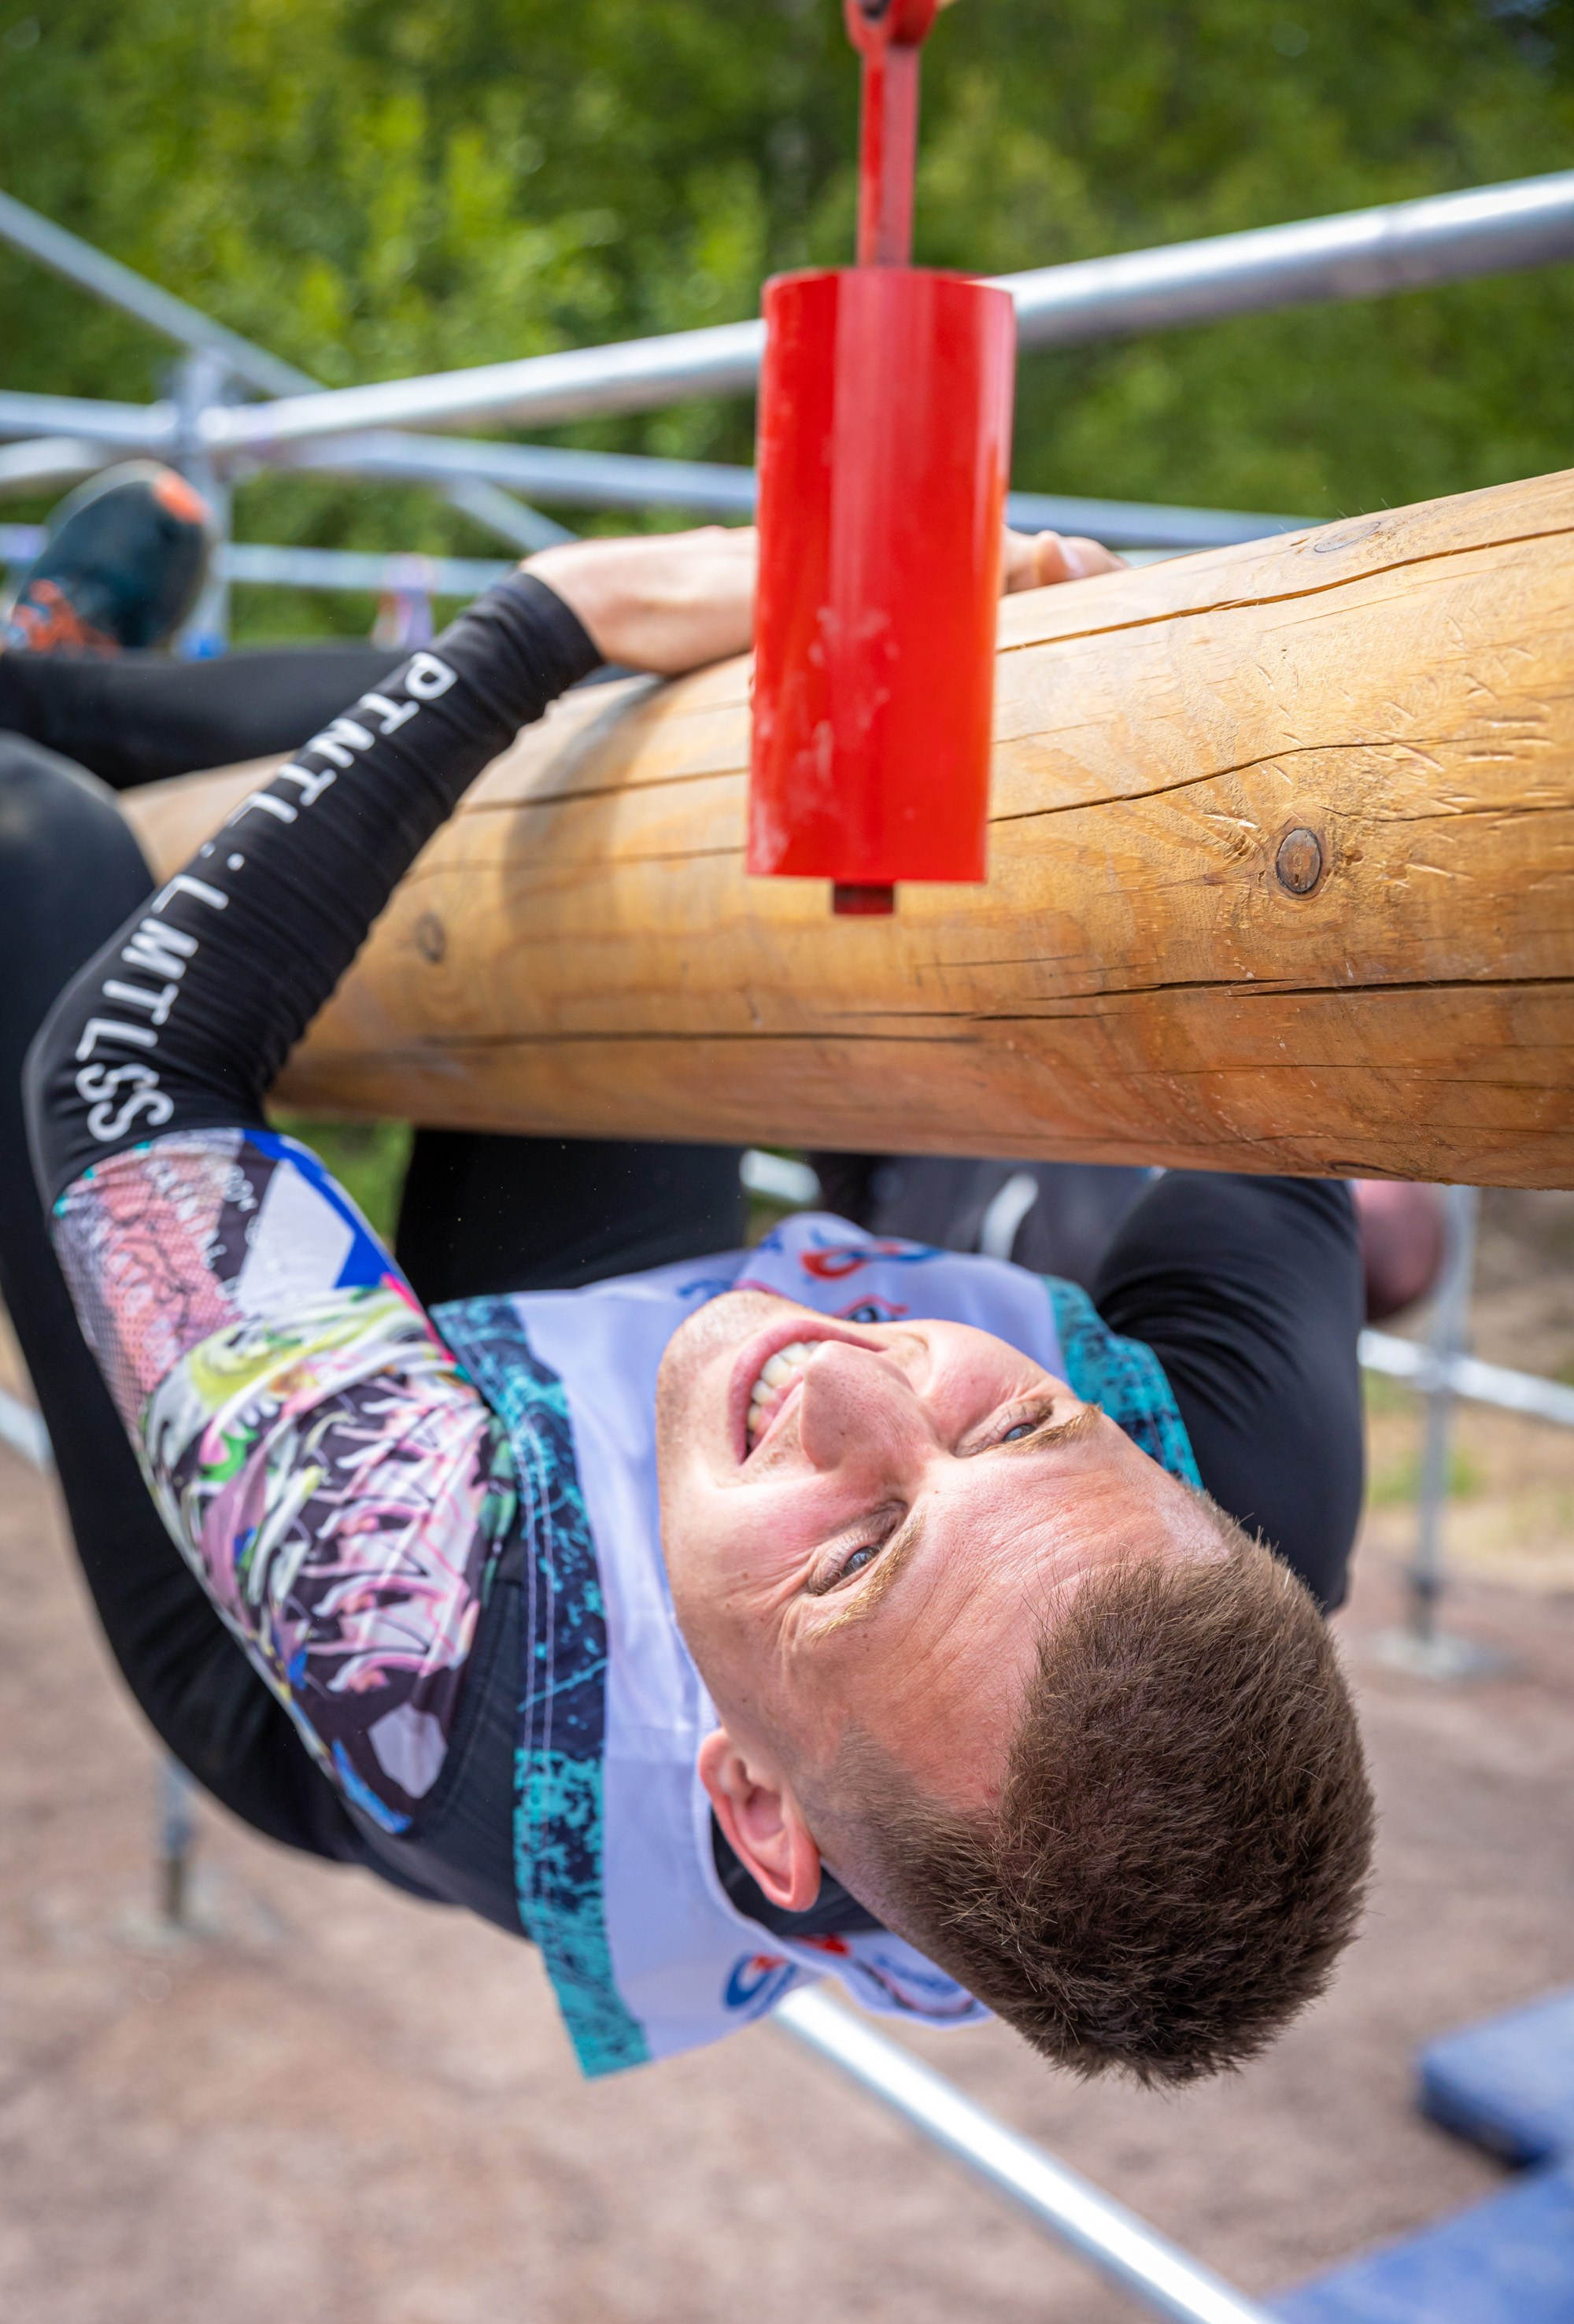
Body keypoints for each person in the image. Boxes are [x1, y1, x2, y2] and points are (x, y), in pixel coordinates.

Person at [14, 517, 1373, 2087]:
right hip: (633, 1515)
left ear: (750, 1802)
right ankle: (49, 677)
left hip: (326, 1658)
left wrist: (553, 611)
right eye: (1017, 1420)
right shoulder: (1246, 1480)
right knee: (613, 764)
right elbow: (1281, 942)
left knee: (37, 847)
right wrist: (1139, 700)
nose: (846, 1378)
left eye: (859, 1556)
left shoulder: (419, 1618)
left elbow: (120, 1077)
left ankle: (45, 691)